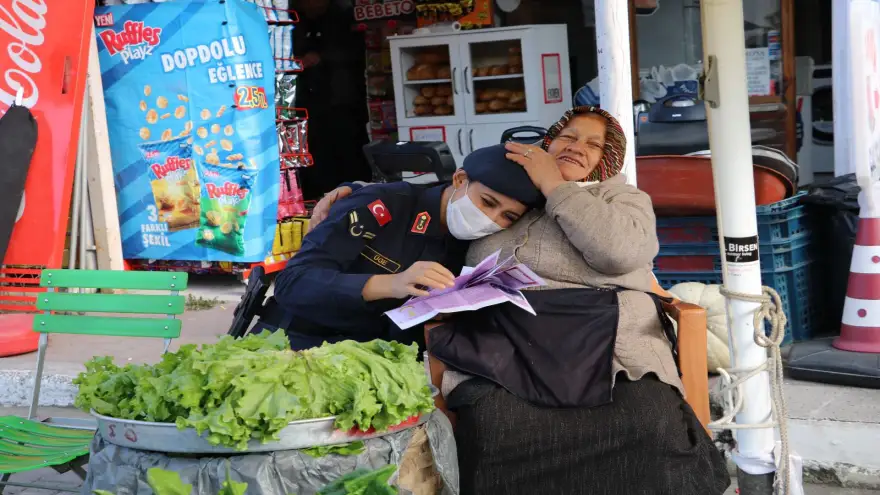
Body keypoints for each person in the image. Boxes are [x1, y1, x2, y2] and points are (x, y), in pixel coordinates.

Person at [309, 107, 731, 494]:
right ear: (548, 143)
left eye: (592, 143)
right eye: (567, 136)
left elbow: (619, 253)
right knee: (493, 424)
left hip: (609, 339)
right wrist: (357, 189)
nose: (576, 147)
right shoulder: (517, 189)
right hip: (508, 337)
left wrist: (555, 186)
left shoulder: (620, 198)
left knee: (649, 420)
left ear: (609, 157)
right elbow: (453, 190)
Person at [257, 144, 544, 351]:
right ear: (460, 180)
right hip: (295, 341)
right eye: (488, 202)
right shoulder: (383, 204)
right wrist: (390, 283)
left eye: (508, 217)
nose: (490, 219)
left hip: (376, 356)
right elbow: (291, 284)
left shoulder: (473, 243)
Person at [293, 0, 371, 199]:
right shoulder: (294, 20)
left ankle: (357, 193)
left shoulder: (344, 16)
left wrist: (320, 57)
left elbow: (356, 51)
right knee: (315, 151)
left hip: (342, 99)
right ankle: (318, 195)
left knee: (348, 150)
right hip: (307, 102)